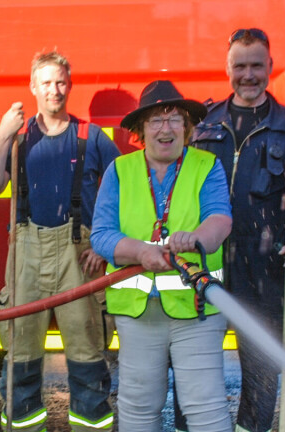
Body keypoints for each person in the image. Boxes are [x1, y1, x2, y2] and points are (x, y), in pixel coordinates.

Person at [189, 28, 285, 432]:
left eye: (256, 65)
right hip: (207, 261)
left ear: (270, 66)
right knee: (196, 362)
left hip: (266, 266)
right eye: (240, 66)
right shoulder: (204, 125)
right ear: (227, 68)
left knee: (261, 370)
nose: (248, 75)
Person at [0, 50, 119, 432]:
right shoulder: (17, 138)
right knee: (20, 363)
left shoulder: (92, 137)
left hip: (79, 255)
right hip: (26, 253)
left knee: (88, 362)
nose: (54, 90)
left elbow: (124, 194)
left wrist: (103, 245)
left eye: (60, 82)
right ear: (33, 87)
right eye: (46, 83)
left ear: (69, 86)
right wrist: (4, 135)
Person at [91, 80, 233, 431]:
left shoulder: (207, 165)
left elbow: (220, 219)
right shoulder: (119, 171)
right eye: (156, 120)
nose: (165, 128)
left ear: (187, 128)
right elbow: (102, 235)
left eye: (174, 119)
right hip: (139, 314)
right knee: (138, 410)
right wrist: (141, 251)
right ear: (141, 130)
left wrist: (196, 238)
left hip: (196, 311)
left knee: (206, 410)